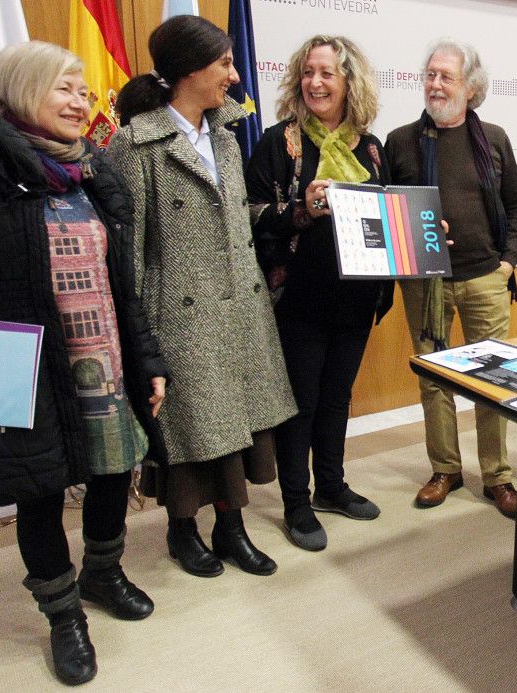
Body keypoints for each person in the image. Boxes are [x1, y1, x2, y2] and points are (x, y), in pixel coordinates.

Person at [0, 41, 167, 686]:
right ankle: (63, 612)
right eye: (64, 89)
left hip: (104, 361)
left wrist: (147, 357)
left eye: (83, 90)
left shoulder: (95, 175)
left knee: (112, 470)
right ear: (21, 92)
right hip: (27, 375)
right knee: (39, 491)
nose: (82, 103)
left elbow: (121, 284)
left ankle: (104, 572)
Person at [108, 15, 297, 578]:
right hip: (180, 317)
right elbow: (130, 254)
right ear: (188, 71)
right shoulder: (134, 145)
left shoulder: (224, 135)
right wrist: (142, 343)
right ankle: (182, 532)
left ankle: (232, 529)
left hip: (239, 307)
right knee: (191, 435)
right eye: (224, 65)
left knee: (238, 425)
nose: (235, 77)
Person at [245, 35, 391, 552]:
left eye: (327, 72)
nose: (316, 82)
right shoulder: (276, 142)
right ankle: (297, 503)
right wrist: (300, 209)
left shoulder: (370, 147)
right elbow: (252, 215)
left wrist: (419, 232)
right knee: (302, 404)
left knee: (337, 399)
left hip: (355, 298)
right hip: (299, 299)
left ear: (349, 80)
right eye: (309, 72)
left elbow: (388, 218)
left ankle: (331, 486)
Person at [385, 38, 517, 519]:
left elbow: (514, 207)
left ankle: (498, 476)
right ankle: (445, 469)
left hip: (487, 278)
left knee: (493, 379)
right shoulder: (401, 141)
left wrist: (509, 261)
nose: (435, 84)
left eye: (446, 76)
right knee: (434, 380)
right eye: (430, 74)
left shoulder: (496, 139)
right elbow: (390, 213)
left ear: (471, 86)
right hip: (426, 284)